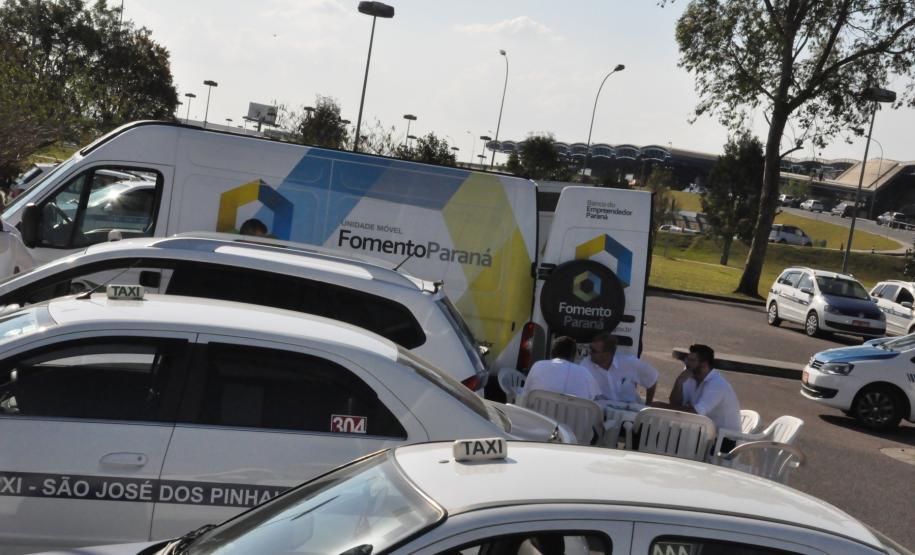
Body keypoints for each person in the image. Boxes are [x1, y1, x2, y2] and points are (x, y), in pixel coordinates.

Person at [669, 344, 741, 434]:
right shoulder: (689, 375)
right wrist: (678, 382)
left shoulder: (717, 384)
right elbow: (675, 403)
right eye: (687, 359)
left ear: (704, 365)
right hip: (703, 433)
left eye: (692, 360)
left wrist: (662, 407)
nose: (687, 363)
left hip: (724, 441)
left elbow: (696, 414)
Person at [520, 336, 601, 401]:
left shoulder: (537, 366)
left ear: (552, 354)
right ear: (573, 356)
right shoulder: (584, 372)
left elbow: (525, 395)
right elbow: (594, 399)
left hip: (538, 420)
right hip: (572, 421)